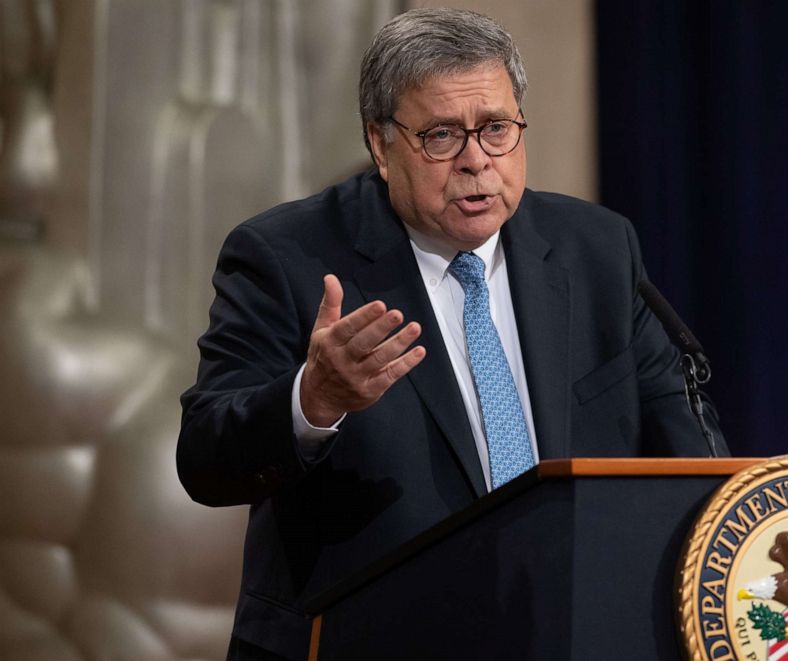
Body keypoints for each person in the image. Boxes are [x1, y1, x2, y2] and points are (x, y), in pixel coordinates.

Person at [178, 7, 728, 659]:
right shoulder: (286, 256)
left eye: (495, 129)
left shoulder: (598, 249)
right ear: (381, 144)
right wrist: (312, 399)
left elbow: (689, 464)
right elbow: (206, 459)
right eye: (441, 136)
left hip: (569, 633)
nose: (476, 161)